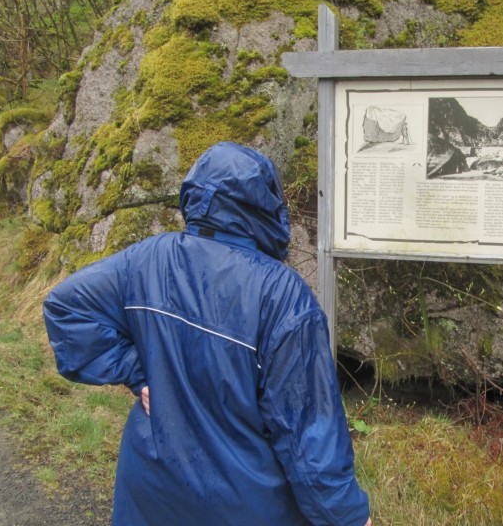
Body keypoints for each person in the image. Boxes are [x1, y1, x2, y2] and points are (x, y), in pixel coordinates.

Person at [43, 142, 372, 526]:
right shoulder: (282, 294)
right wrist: (347, 516)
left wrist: (138, 373)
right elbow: (307, 432)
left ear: (194, 195)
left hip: (152, 493)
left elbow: (65, 306)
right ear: (265, 205)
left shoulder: (149, 258)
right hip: (244, 505)